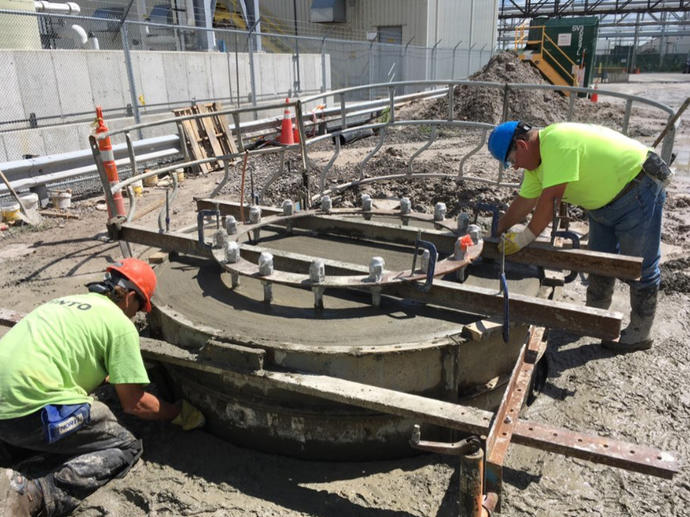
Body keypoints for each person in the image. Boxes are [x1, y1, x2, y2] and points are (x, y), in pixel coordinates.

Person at [0, 258, 205, 517]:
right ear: (130, 297)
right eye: (140, 307)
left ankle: (10, 452)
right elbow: (135, 403)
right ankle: (36, 493)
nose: (137, 314)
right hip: (28, 411)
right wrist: (177, 413)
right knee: (125, 446)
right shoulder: (120, 326)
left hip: (5, 405)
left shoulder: (64, 302)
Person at [487, 121, 672, 353]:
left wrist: (522, 239)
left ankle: (640, 333)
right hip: (602, 203)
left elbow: (549, 202)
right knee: (599, 259)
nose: (514, 168)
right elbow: (524, 202)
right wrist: (496, 231)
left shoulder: (557, 143)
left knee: (640, 264)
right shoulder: (536, 165)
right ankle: (595, 316)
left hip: (637, 188)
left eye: (512, 161)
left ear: (522, 145)